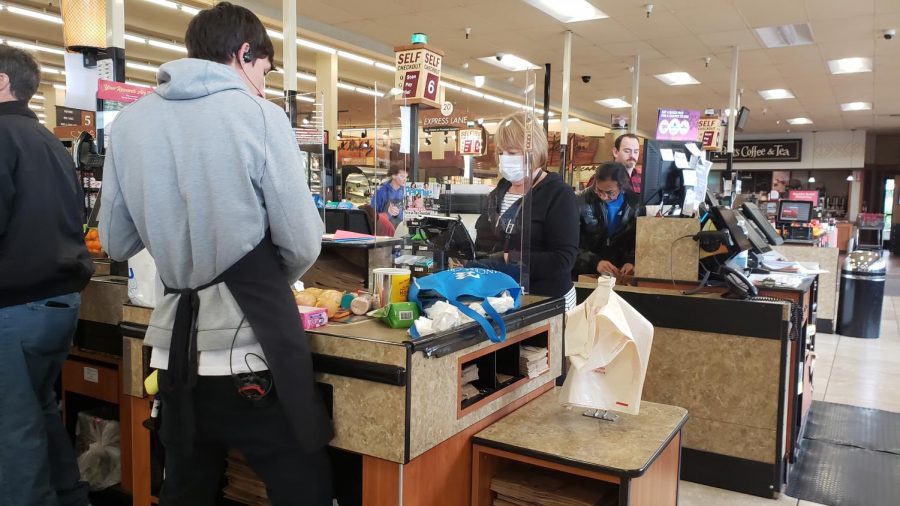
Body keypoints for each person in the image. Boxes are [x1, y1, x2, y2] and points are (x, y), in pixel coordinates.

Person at [99, 3, 332, 505]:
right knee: (301, 482)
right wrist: (259, 276)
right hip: (248, 345)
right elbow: (303, 241)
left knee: (186, 483)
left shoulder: (129, 123)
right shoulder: (261, 117)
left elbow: (116, 243)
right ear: (244, 53)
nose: (264, 86)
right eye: (264, 71)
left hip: (172, 351)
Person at [0, 45, 94, 506]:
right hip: (58, 303)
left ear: (2, 82)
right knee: (39, 412)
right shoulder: (47, 142)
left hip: (14, 307)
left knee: (10, 432)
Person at [473, 113, 579, 310]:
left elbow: (563, 260)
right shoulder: (499, 191)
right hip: (502, 296)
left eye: (513, 153)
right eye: (501, 153)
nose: (505, 159)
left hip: (547, 300)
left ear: (534, 153)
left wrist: (509, 258)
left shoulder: (558, 194)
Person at [573, 162, 641, 279]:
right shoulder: (579, 202)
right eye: (598, 190)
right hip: (585, 273)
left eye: (610, 193)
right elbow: (568, 244)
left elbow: (637, 241)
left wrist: (631, 262)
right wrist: (595, 262)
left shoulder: (635, 204)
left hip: (619, 274)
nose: (603, 196)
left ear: (621, 187)